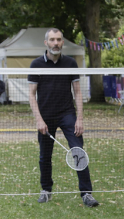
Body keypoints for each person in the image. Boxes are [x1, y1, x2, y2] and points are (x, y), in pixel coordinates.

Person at [28, 28, 98, 207]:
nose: (56, 43)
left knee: (78, 152)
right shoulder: (36, 64)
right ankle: (46, 190)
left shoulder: (70, 63)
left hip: (67, 114)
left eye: (59, 39)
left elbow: (77, 91)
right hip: (45, 116)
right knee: (45, 156)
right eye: (52, 40)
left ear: (62, 42)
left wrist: (80, 118)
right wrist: (39, 119)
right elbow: (31, 95)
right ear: (46, 43)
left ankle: (86, 194)